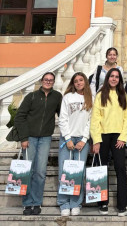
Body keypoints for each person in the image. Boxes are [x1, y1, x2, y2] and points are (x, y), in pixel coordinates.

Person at [14, 72, 62, 216]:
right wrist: (23, 138)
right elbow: (19, 117)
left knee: (40, 172)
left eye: (51, 80)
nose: (48, 82)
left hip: (46, 138)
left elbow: (62, 115)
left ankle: (36, 202)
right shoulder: (32, 96)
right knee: (27, 171)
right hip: (29, 139)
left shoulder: (57, 96)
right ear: (41, 81)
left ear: (53, 82)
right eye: (46, 80)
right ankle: (27, 203)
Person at [90, 68, 127, 217]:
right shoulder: (101, 95)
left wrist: (123, 137)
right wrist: (96, 140)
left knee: (120, 168)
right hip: (103, 136)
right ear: (107, 78)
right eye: (111, 76)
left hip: (118, 136)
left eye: (116, 77)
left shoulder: (123, 95)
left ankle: (122, 204)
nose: (114, 79)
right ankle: (103, 202)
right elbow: (95, 119)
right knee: (102, 169)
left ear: (120, 80)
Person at [57, 72, 92, 216]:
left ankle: (76, 203)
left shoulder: (90, 98)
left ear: (85, 82)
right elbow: (62, 119)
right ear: (73, 83)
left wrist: (84, 139)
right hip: (67, 139)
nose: (78, 83)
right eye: (76, 81)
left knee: (79, 172)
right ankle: (64, 203)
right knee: (64, 172)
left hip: (82, 141)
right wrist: (67, 138)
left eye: (81, 80)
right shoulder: (67, 97)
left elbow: (91, 121)